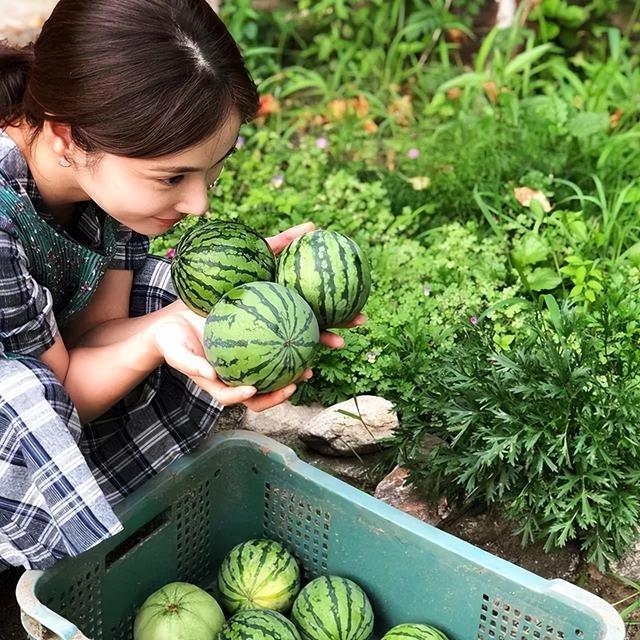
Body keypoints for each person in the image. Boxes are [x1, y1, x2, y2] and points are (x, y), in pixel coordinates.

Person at [0, 0, 364, 570]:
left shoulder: (101, 168)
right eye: (172, 177)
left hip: (49, 365)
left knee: (175, 297)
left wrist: (211, 313)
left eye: (212, 171)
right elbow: (55, 400)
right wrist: (156, 337)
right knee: (21, 396)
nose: (199, 204)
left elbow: (97, 332)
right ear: (69, 138)